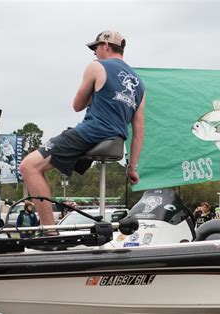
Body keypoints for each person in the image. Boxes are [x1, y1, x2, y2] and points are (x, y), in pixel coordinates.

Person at [20, 30, 146, 227]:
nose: (94, 53)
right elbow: (139, 130)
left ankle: (49, 232)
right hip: (116, 140)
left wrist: (95, 89)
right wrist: (132, 167)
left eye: (95, 48)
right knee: (49, 162)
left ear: (106, 46)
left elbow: (77, 105)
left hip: (92, 132)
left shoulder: (96, 67)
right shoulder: (140, 84)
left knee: (28, 167)